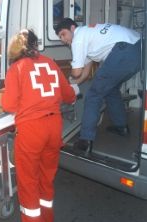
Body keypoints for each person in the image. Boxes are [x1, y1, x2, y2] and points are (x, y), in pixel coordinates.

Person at [1, 29, 77, 222]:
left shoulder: (16, 68)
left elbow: (8, 105)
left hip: (32, 130)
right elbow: (69, 95)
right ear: (36, 45)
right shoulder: (50, 63)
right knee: (46, 178)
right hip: (54, 128)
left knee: (28, 183)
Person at [54, 18, 141, 152]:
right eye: (60, 37)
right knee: (110, 89)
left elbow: (77, 72)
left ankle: (85, 141)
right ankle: (121, 126)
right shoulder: (88, 35)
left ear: (72, 28)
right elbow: (85, 73)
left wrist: (66, 79)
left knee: (93, 95)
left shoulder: (79, 36)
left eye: (63, 34)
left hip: (124, 50)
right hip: (138, 48)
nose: (62, 39)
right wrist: (70, 84)